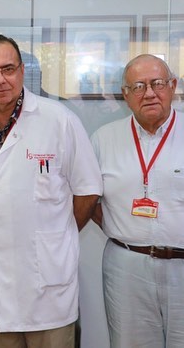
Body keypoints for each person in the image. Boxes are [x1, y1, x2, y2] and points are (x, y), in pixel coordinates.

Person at [0, 34, 102, 348]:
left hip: (48, 288)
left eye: (8, 69)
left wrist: (56, 235)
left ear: (23, 71)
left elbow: (88, 191)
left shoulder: (59, 120)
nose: (0, 79)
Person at [91, 54, 184, 348]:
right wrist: (123, 226)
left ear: (173, 86)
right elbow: (89, 198)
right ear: (125, 95)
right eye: (139, 86)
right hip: (127, 266)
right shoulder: (104, 139)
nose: (150, 93)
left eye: (157, 83)